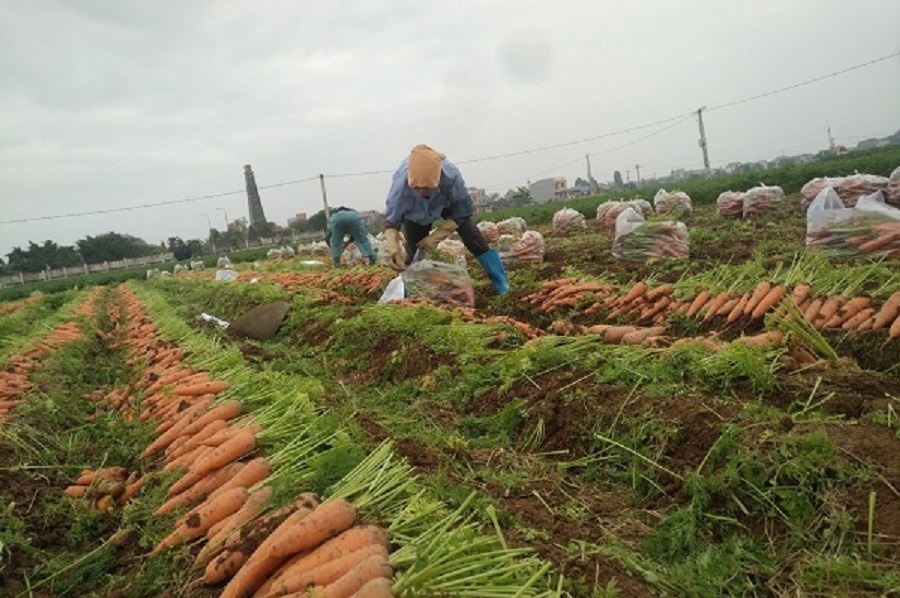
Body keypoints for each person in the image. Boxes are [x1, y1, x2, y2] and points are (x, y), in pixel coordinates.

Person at [382, 144, 509, 294]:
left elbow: (463, 209)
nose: (422, 193)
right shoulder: (400, 185)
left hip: (445, 204)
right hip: (415, 214)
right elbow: (392, 220)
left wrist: (438, 235)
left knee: (473, 237)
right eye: (417, 188)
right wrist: (393, 247)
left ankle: (501, 284)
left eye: (427, 188)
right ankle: (412, 294)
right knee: (415, 250)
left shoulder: (452, 175)